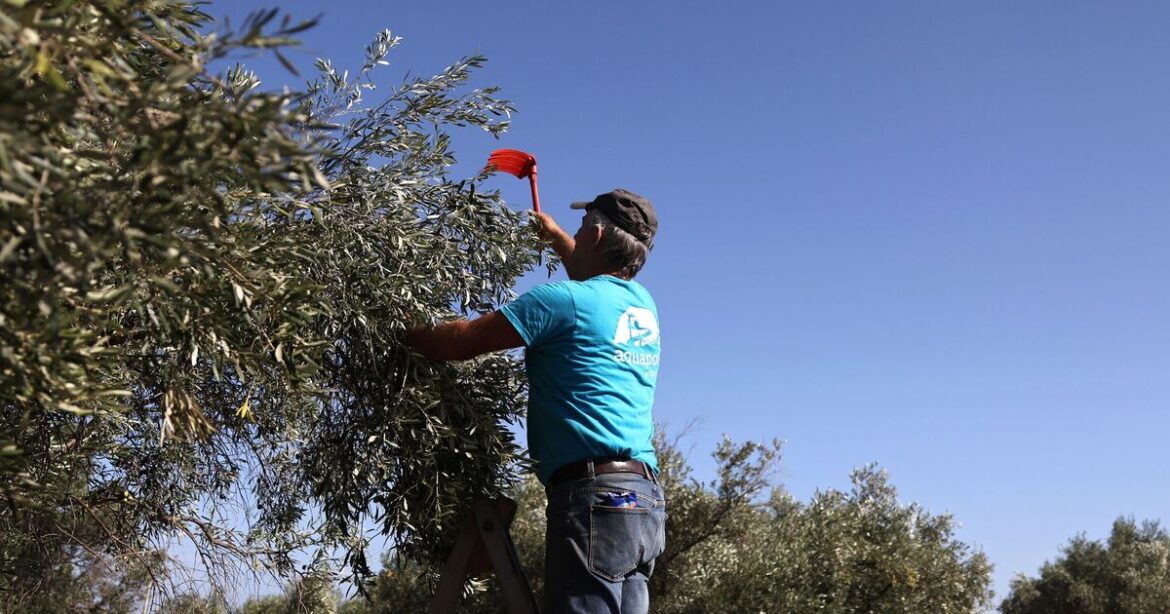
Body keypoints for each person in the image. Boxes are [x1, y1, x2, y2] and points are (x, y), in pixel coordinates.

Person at [406, 188, 666, 613]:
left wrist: (398, 331)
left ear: (598, 236)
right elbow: (590, 288)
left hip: (593, 498)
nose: (578, 237)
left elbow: (462, 343)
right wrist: (558, 237)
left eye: (583, 229)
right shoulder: (641, 306)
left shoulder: (561, 302)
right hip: (643, 502)